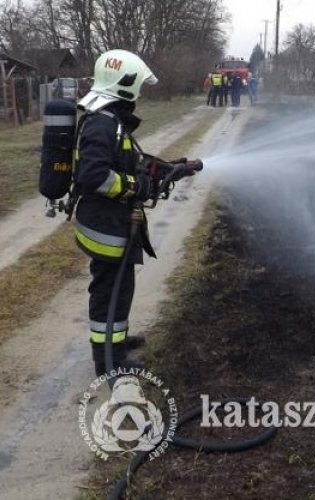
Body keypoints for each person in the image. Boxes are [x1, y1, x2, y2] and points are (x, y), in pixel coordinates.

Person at [74, 49, 161, 376]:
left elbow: (119, 160)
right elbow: (95, 176)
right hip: (104, 227)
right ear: (125, 84)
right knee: (109, 292)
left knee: (120, 290)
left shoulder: (110, 119)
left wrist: (152, 171)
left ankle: (117, 343)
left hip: (111, 222)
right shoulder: (101, 123)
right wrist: (135, 187)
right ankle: (107, 361)